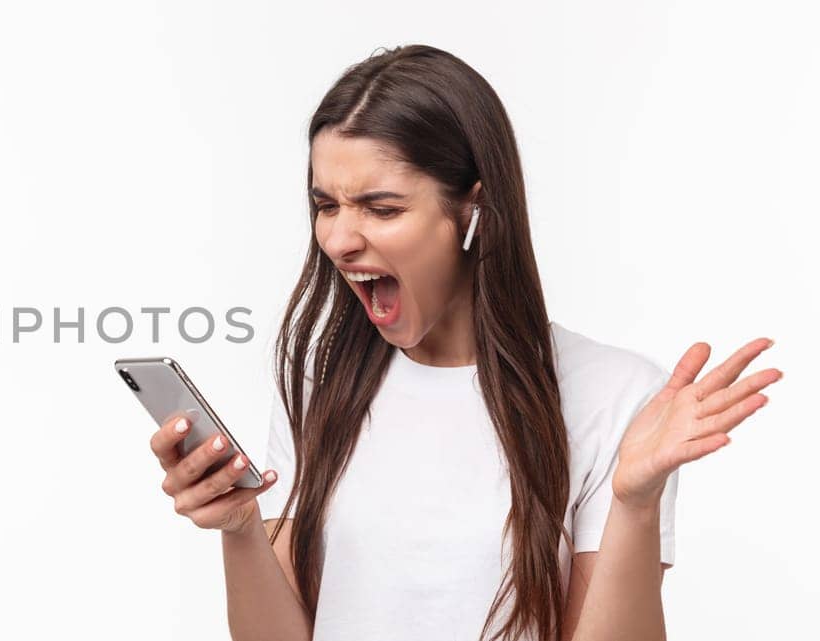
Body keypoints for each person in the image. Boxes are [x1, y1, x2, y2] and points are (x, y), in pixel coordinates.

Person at [145, 44, 782, 641]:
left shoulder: (613, 394)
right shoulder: (322, 386)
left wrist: (634, 504)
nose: (338, 239)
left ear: (474, 210)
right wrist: (239, 530)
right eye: (326, 205)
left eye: (382, 207)